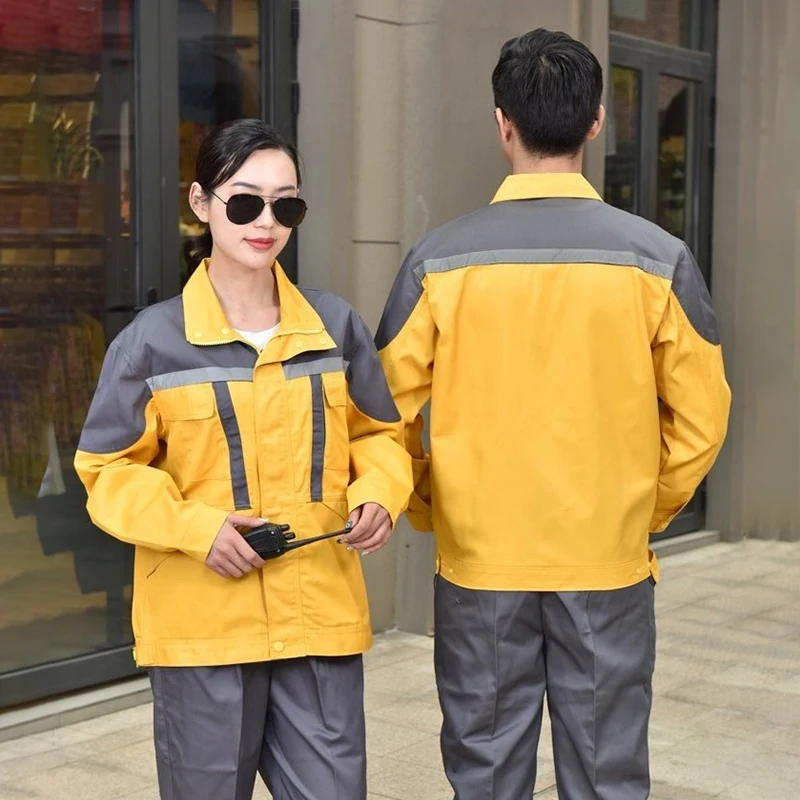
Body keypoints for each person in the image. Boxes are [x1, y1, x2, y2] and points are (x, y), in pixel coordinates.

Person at [375, 28, 731, 800]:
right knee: (607, 776)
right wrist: (641, 506)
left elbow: (379, 418)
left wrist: (437, 503)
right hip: (606, 559)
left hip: (480, 563)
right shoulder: (657, 259)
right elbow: (702, 422)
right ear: (597, 121)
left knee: (486, 772)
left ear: (502, 123)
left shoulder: (438, 260)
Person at [75, 119, 412, 800]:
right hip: (203, 633)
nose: (266, 222)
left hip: (318, 624)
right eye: (245, 201)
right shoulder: (152, 343)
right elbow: (106, 473)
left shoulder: (334, 327)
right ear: (201, 203)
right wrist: (200, 532)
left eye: (286, 204)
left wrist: (379, 493)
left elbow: (381, 435)